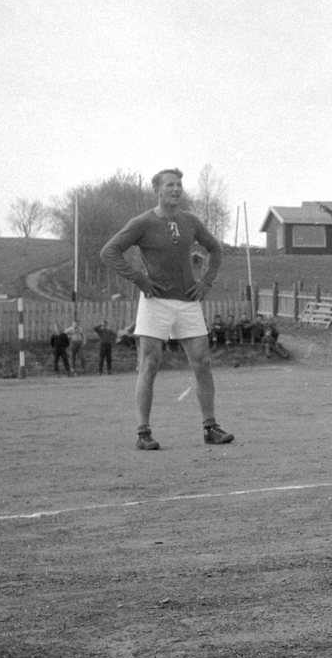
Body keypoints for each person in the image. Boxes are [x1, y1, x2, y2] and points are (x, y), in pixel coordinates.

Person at [100, 167, 234, 450]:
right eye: (170, 185)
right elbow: (109, 251)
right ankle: (143, 433)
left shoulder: (190, 221)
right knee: (149, 364)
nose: (176, 190)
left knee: (203, 362)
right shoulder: (142, 222)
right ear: (157, 190)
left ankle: (210, 428)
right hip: (155, 301)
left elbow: (216, 249)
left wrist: (206, 282)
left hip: (188, 302)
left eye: (179, 185)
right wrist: (139, 279)